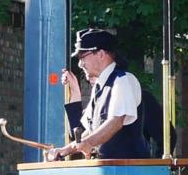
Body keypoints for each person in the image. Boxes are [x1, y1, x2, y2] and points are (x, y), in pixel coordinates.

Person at [50, 27, 149, 160]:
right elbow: (86, 133)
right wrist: (64, 151)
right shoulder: (99, 88)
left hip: (128, 170)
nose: (80, 64)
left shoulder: (122, 80)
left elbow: (115, 122)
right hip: (109, 170)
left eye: (83, 57)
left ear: (101, 54)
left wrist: (89, 143)